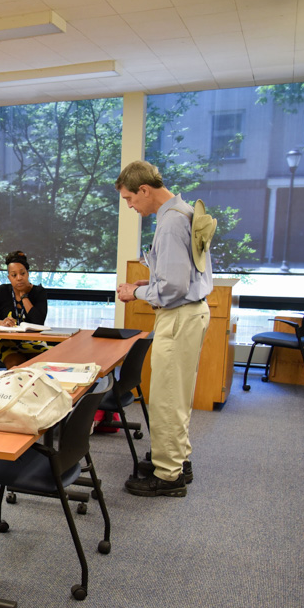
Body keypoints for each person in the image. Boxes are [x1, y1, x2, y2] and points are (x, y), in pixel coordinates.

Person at [115, 160, 212, 498]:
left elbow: (172, 289)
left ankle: (167, 475)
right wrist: (152, 280)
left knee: (166, 398)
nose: (129, 205)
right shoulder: (184, 211)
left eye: (129, 198)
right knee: (178, 394)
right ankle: (176, 459)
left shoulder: (170, 223)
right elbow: (179, 276)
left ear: (144, 190)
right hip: (192, 312)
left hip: (179, 315)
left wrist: (135, 292)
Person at [0, 250, 50, 369]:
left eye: (22, 273)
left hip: (33, 341)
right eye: (14, 275)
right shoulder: (2, 291)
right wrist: (0, 322)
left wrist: (24, 296)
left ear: (28, 274)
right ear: (9, 277)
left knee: (41, 364)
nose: (19, 278)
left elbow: (39, 322)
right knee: (16, 363)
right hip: (3, 340)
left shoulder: (39, 292)